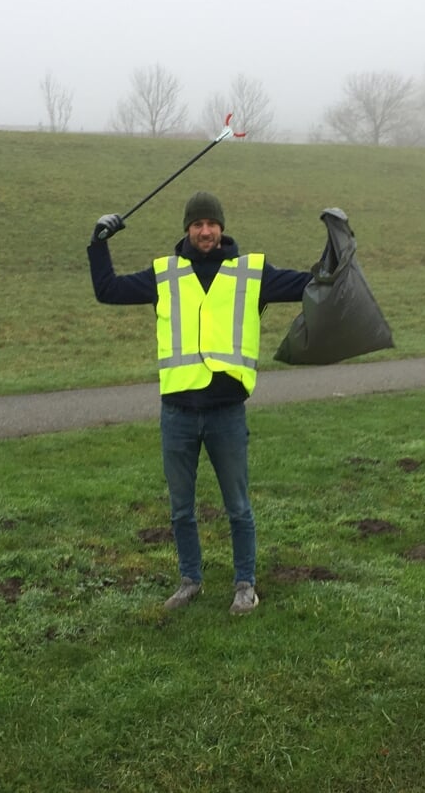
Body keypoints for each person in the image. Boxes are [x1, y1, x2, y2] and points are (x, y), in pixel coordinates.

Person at [88, 191, 312, 615]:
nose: (205, 231)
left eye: (212, 224)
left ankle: (245, 584)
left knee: (238, 506)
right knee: (180, 508)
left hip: (227, 411)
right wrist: (98, 244)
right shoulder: (164, 275)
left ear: (222, 228)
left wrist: (335, 247)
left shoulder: (252, 273)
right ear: (187, 229)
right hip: (177, 414)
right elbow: (108, 290)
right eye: (197, 224)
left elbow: (313, 284)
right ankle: (190, 580)